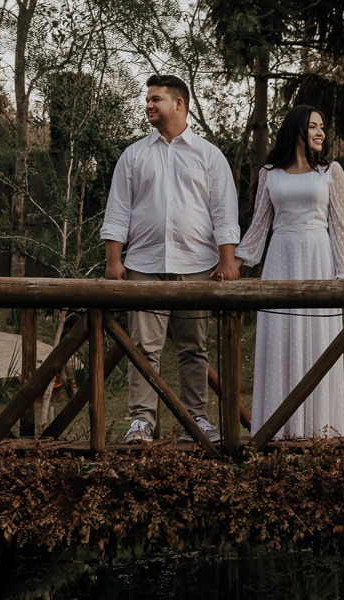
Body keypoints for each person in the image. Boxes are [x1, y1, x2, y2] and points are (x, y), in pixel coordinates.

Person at [101, 74, 240, 444]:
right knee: (144, 348)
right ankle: (142, 422)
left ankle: (197, 421)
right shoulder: (134, 155)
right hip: (144, 267)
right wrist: (115, 263)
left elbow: (224, 212)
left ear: (179, 104)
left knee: (194, 348)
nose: (148, 104)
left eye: (155, 98)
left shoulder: (209, 155)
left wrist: (228, 261)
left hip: (197, 266)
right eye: (147, 99)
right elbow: (118, 212)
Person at [235, 105, 344, 439]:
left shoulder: (331, 172)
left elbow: (339, 226)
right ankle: (279, 428)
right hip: (281, 259)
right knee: (281, 340)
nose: (320, 132)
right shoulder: (270, 173)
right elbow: (259, 225)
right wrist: (236, 263)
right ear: (296, 129)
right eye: (313, 126)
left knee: (319, 342)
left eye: (323, 127)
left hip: (318, 258)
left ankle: (320, 429)